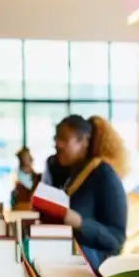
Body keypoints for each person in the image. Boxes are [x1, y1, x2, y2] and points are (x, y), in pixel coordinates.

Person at [52, 114, 129, 269]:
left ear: (84, 141)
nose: (57, 145)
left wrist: (80, 223)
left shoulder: (104, 174)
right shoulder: (74, 173)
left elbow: (116, 239)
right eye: (56, 138)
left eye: (64, 139)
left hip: (95, 272)